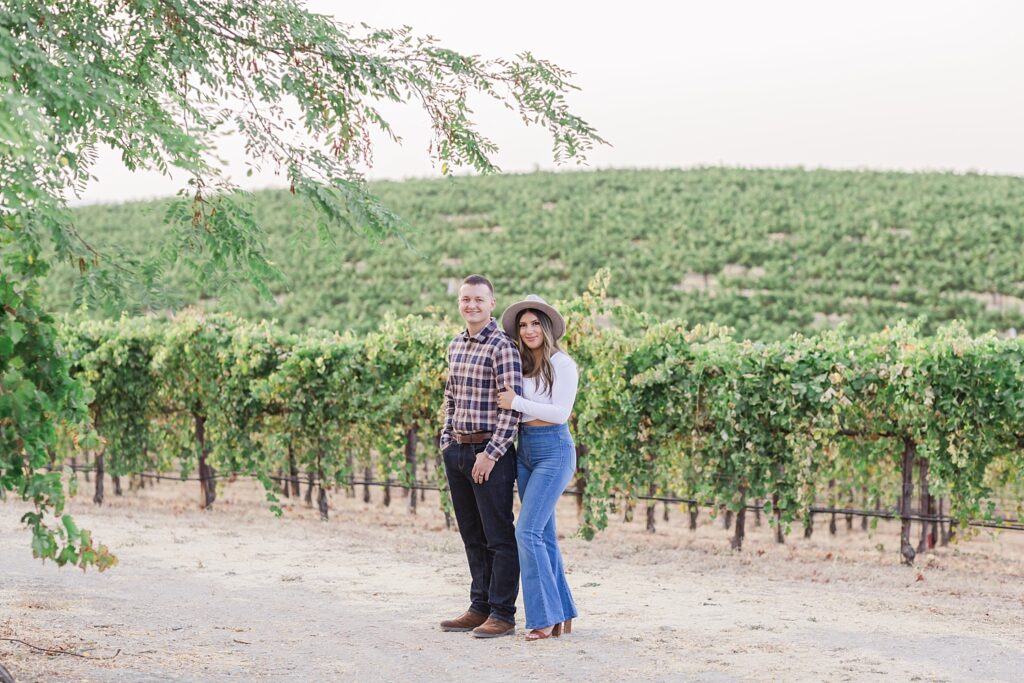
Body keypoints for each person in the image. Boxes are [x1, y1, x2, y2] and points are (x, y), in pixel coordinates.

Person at [438, 274, 524, 638]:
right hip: (458, 449)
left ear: (492, 303)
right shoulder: (455, 345)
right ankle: (479, 607)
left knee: (498, 536)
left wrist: (490, 454)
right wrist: (446, 439)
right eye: (465, 299)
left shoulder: (503, 347)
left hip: (490, 453)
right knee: (471, 534)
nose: (471, 305)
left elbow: (512, 407)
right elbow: (450, 396)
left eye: (478, 299)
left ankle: (503, 614)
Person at [496, 294, 579, 641]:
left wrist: (516, 401)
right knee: (542, 534)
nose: (529, 330)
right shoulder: (520, 363)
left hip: (554, 450)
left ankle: (542, 617)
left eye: (534, 323)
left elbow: (561, 413)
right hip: (525, 448)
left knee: (526, 532)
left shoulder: (563, 364)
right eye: (523, 325)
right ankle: (563, 612)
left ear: (546, 327)